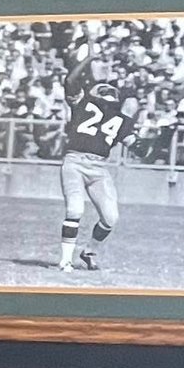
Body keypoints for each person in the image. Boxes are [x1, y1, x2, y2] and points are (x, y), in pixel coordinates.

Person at [56, 75, 136, 272]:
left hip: (99, 168)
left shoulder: (118, 119)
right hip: (75, 161)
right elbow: (70, 82)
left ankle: (89, 252)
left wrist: (149, 143)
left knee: (110, 218)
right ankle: (65, 260)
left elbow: (137, 145)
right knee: (75, 210)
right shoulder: (83, 105)